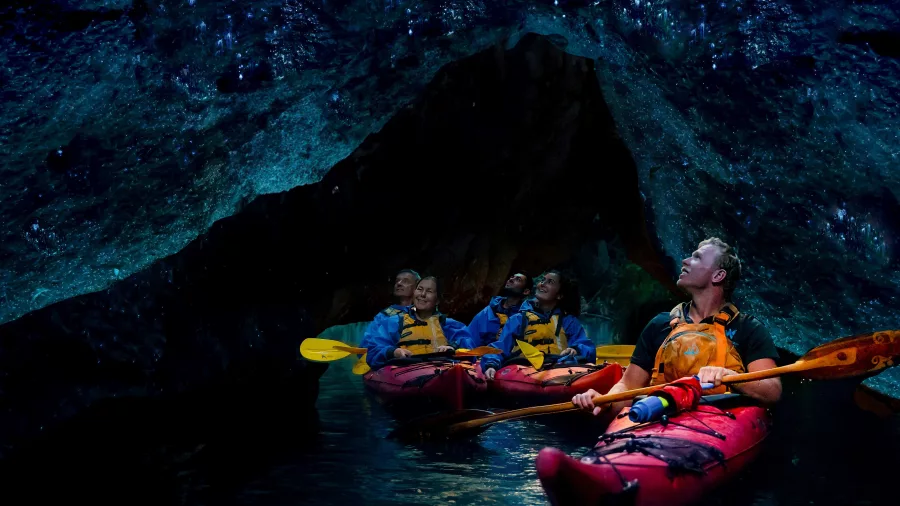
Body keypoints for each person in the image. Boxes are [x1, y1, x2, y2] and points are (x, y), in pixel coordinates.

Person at [572, 237, 782, 416]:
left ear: (718, 276)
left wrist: (730, 377)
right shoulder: (660, 324)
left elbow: (771, 391)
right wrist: (604, 400)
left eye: (697, 257)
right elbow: (628, 387)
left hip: (718, 419)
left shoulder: (748, 328)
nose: (685, 260)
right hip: (658, 414)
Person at [480, 270, 596, 380]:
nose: (542, 284)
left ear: (559, 295)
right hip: (523, 371)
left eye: (550, 282)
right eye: (542, 280)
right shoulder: (518, 319)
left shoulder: (568, 321)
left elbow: (585, 345)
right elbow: (500, 347)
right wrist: (491, 364)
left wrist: (575, 350)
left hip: (558, 369)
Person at [366, 276, 476, 369]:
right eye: (419, 289)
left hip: (442, 367)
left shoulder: (450, 325)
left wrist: (452, 347)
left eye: (429, 291)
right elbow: (374, 350)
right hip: (406, 369)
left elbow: (469, 345)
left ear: (437, 300)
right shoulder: (394, 322)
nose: (422, 294)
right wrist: (394, 352)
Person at [359, 269, 420, 351]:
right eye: (397, 281)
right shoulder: (384, 315)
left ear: (417, 287)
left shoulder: (425, 312)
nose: (399, 284)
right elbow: (366, 344)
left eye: (405, 281)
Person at [467, 271, 534, 346]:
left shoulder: (524, 317)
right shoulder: (490, 310)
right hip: (475, 352)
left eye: (518, 279)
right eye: (512, 277)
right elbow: (470, 335)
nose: (511, 279)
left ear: (526, 291)